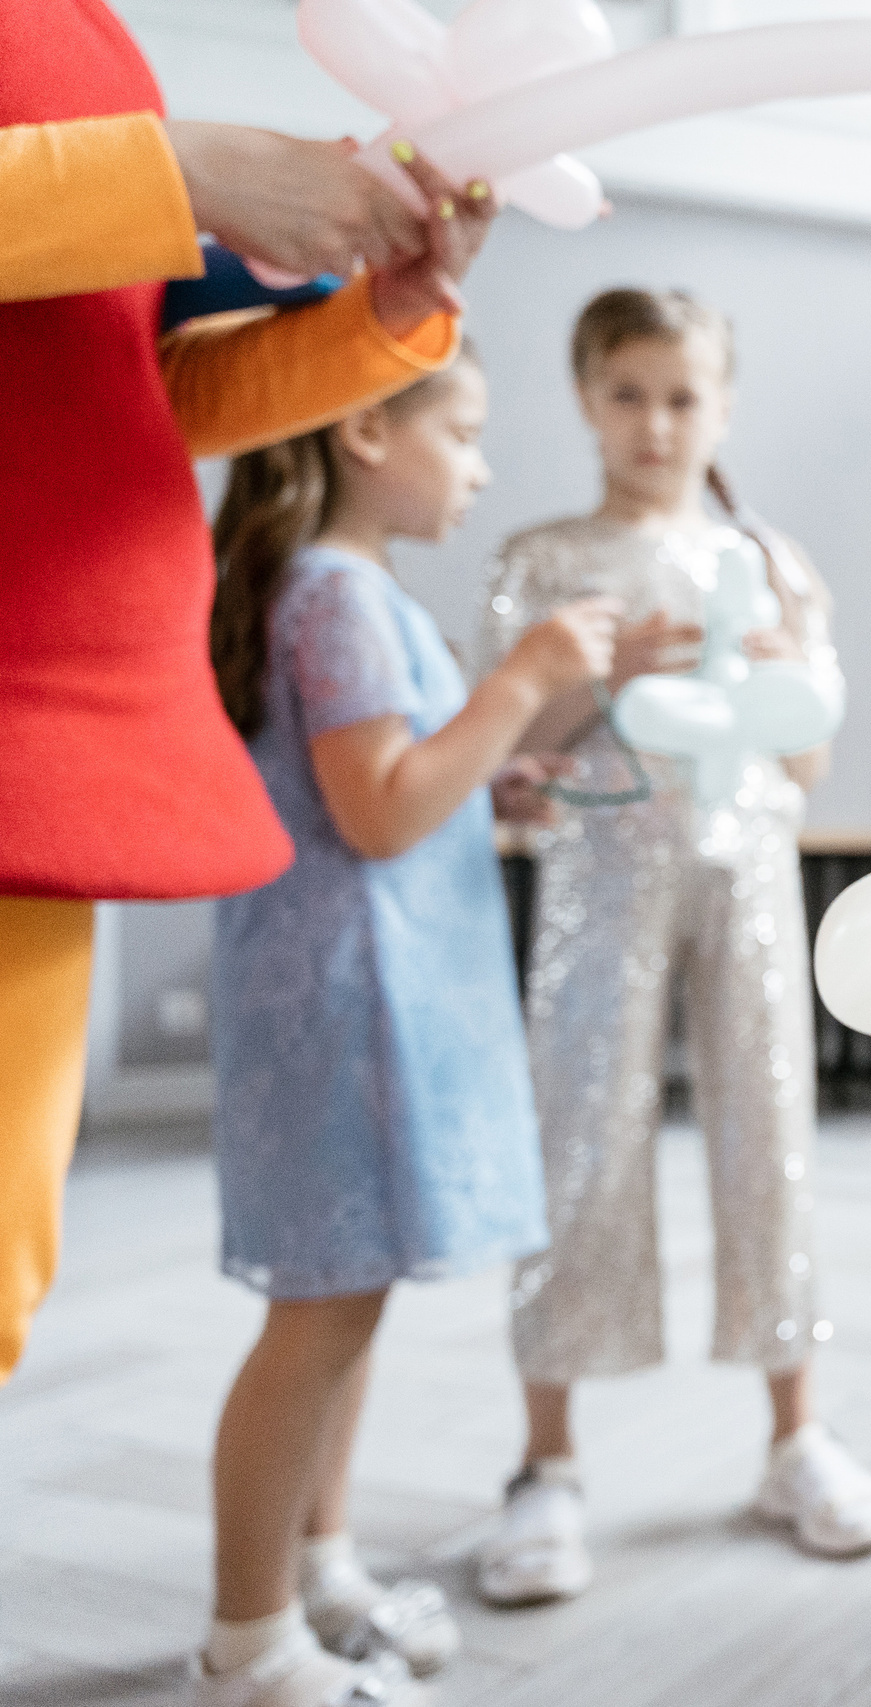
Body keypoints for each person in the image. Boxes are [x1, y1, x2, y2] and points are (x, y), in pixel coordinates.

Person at [1, 0, 494, 1390]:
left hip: (53, 739)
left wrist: (382, 321)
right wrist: (181, 173)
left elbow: (124, 394)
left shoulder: (82, 26)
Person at [199, 344, 619, 1707]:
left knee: (347, 1298)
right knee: (317, 1314)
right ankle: (248, 1637)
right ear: (369, 427)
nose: (485, 466)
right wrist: (526, 677)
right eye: (469, 431)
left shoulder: (349, 593)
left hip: (364, 997)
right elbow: (377, 809)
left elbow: (383, 791)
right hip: (350, 1011)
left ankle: (315, 1562)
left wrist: (492, 777)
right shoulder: (338, 596)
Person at [474, 287, 871, 1607]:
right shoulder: (545, 562)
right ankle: (547, 1463)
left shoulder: (770, 559)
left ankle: (795, 1434)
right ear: (589, 398)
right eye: (630, 392)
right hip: (600, 870)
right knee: (579, 1132)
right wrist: (602, 671)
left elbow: (810, 755)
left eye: (684, 394)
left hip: (749, 867)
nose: (658, 421)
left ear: (723, 404)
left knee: (770, 1127)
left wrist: (763, 667)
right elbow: (514, 764)